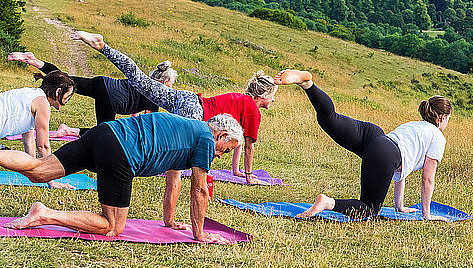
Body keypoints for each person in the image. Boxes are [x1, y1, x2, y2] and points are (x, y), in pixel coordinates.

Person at [70, 30, 277, 185]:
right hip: (196, 114)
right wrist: (249, 177)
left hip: (188, 99)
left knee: (142, 81)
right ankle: (169, 183)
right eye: (273, 96)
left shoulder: (242, 99)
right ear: (264, 94)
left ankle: (103, 46)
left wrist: (236, 170)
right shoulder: (253, 109)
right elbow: (248, 146)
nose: (273, 101)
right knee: (179, 160)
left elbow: (235, 142)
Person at [1, 112, 243, 243]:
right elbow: (199, 191)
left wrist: (169, 222)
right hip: (120, 152)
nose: (221, 156)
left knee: (39, 170)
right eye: (226, 149)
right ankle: (45, 214)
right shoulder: (206, 140)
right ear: (220, 135)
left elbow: (174, 181)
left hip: (103, 133)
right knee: (112, 226)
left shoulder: (188, 130)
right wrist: (199, 235)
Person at [274, 69, 452, 221]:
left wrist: (400, 207)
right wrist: (427, 215)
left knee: (330, 119)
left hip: (374, 135)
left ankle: (308, 85)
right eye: (448, 119)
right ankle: (327, 203)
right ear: (443, 118)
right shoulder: (437, 137)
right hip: (384, 153)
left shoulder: (414, 125)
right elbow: (427, 179)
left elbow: (401, 171)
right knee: (369, 209)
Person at [8, 51, 177, 136]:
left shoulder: (144, 81)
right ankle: (69, 131)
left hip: (102, 83)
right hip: (110, 98)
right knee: (106, 134)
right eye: (171, 84)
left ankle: (35, 61)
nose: (172, 88)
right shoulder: (154, 94)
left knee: (65, 80)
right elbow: (150, 125)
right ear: (163, 82)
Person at [0, 71, 76, 189]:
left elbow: (28, 140)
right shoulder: (42, 103)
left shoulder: (33, 95)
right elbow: (43, 146)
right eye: (68, 95)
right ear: (58, 92)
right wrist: (52, 180)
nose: (67, 100)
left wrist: (33, 169)